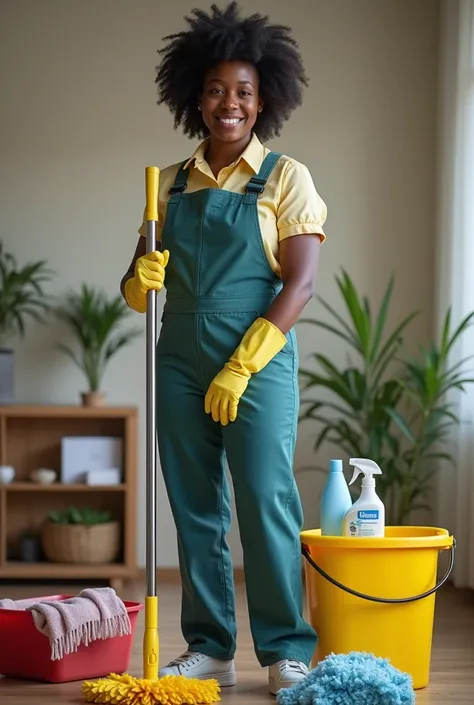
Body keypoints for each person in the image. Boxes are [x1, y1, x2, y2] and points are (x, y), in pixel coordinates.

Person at [120, 2, 327, 696]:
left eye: (242, 91)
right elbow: (139, 284)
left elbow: (298, 285)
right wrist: (137, 279)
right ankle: (209, 646)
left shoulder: (286, 179)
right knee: (195, 504)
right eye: (215, 90)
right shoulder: (170, 183)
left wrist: (242, 365)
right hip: (178, 358)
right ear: (195, 99)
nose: (228, 103)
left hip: (258, 361)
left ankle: (285, 650)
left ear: (263, 98)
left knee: (267, 501)